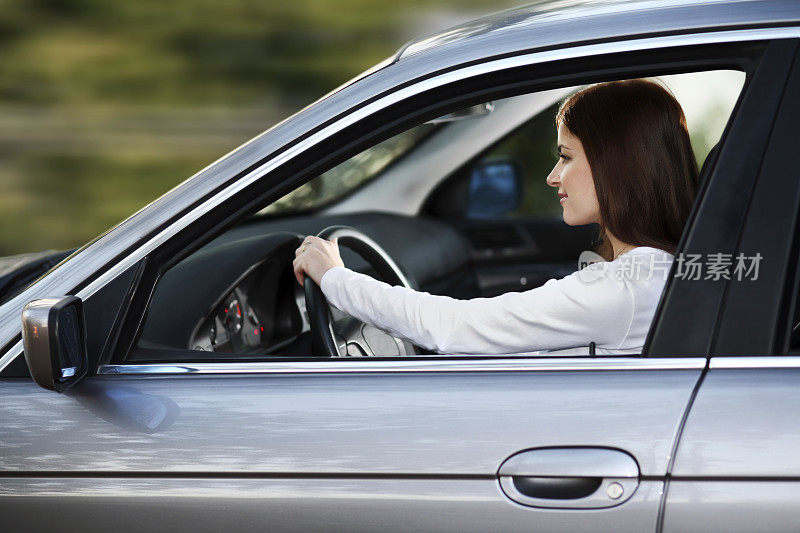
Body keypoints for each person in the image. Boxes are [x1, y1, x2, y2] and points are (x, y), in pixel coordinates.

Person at [292, 79, 699, 355]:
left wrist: (334, 278)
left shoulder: (621, 289)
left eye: (566, 157)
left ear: (617, 166)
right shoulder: (656, 270)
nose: (552, 176)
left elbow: (455, 326)